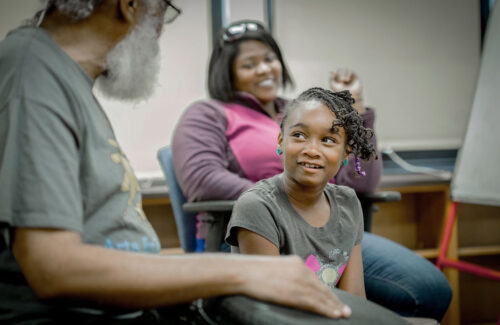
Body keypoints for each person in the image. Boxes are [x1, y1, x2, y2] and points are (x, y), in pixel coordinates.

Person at [0, 2, 351, 323]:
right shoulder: (32, 72)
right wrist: (246, 271)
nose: (161, 31)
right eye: (163, 12)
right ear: (131, 5)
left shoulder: (64, 79)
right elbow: (54, 268)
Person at [172, 20, 452, 320]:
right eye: (249, 64)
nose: (265, 69)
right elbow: (202, 178)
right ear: (226, 72)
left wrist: (355, 109)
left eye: (269, 59)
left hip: (327, 227)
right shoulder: (208, 113)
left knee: (431, 291)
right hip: (256, 231)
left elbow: (361, 181)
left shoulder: (303, 109)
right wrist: (287, 200)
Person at [226, 87, 377, 298]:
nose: (312, 150)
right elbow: (271, 309)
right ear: (281, 140)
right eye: (299, 135)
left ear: (346, 152)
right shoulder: (257, 206)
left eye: (328, 140)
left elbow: (356, 301)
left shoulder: (348, 202)